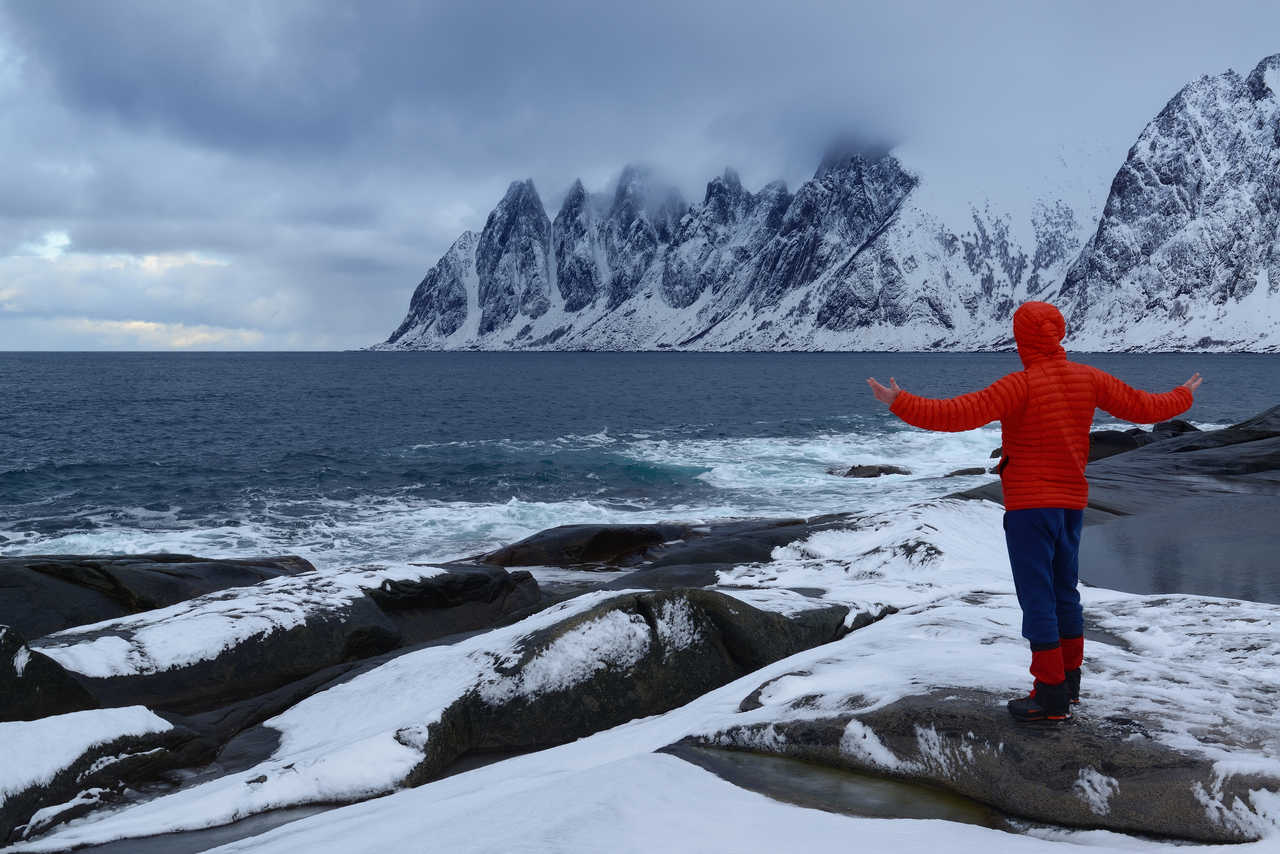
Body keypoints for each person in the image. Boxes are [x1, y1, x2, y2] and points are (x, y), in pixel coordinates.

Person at [866, 301, 1201, 722]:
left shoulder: (1019, 385)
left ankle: (1049, 695)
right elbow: (1145, 407)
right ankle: (1069, 684)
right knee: (1065, 592)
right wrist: (1183, 395)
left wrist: (899, 401)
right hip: (1071, 504)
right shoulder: (1089, 379)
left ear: (1022, 338)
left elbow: (955, 414)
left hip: (1029, 506)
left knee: (1037, 597)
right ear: (1057, 334)